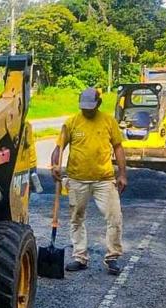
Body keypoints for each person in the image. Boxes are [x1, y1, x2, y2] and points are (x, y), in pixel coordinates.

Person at [51, 87, 128, 275]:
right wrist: (54, 165)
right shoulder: (71, 123)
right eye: (83, 107)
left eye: (90, 107)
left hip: (104, 179)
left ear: (99, 104)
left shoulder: (108, 121)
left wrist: (122, 174)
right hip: (77, 179)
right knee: (76, 219)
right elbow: (59, 147)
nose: (86, 110)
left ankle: (112, 257)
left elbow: (118, 148)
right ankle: (80, 257)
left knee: (115, 218)